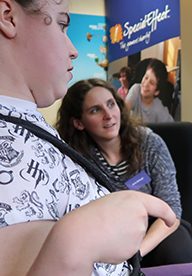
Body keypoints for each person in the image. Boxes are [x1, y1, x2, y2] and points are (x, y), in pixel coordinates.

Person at [0, 0, 176, 275]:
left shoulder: (31, 123)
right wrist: (78, 238)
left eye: (111, 105)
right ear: (8, 16)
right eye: (61, 25)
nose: (73, 51)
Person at [56, 78, 192, 267]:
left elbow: (172, 210)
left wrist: (136, 254)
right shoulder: (76, 159)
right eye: (95, 110)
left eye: (111, 104)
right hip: (109, 236)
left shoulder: (149, 143)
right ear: (78, 123)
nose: (108, 115)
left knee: (177, 253)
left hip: (159, 229)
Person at [125, 58, 174, 123]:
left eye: (151, 83)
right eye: (146, 77)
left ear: (156, 92)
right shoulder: (136, 89)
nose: (146, 83)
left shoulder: (159, 109)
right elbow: (124, 111)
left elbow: (173, 128)